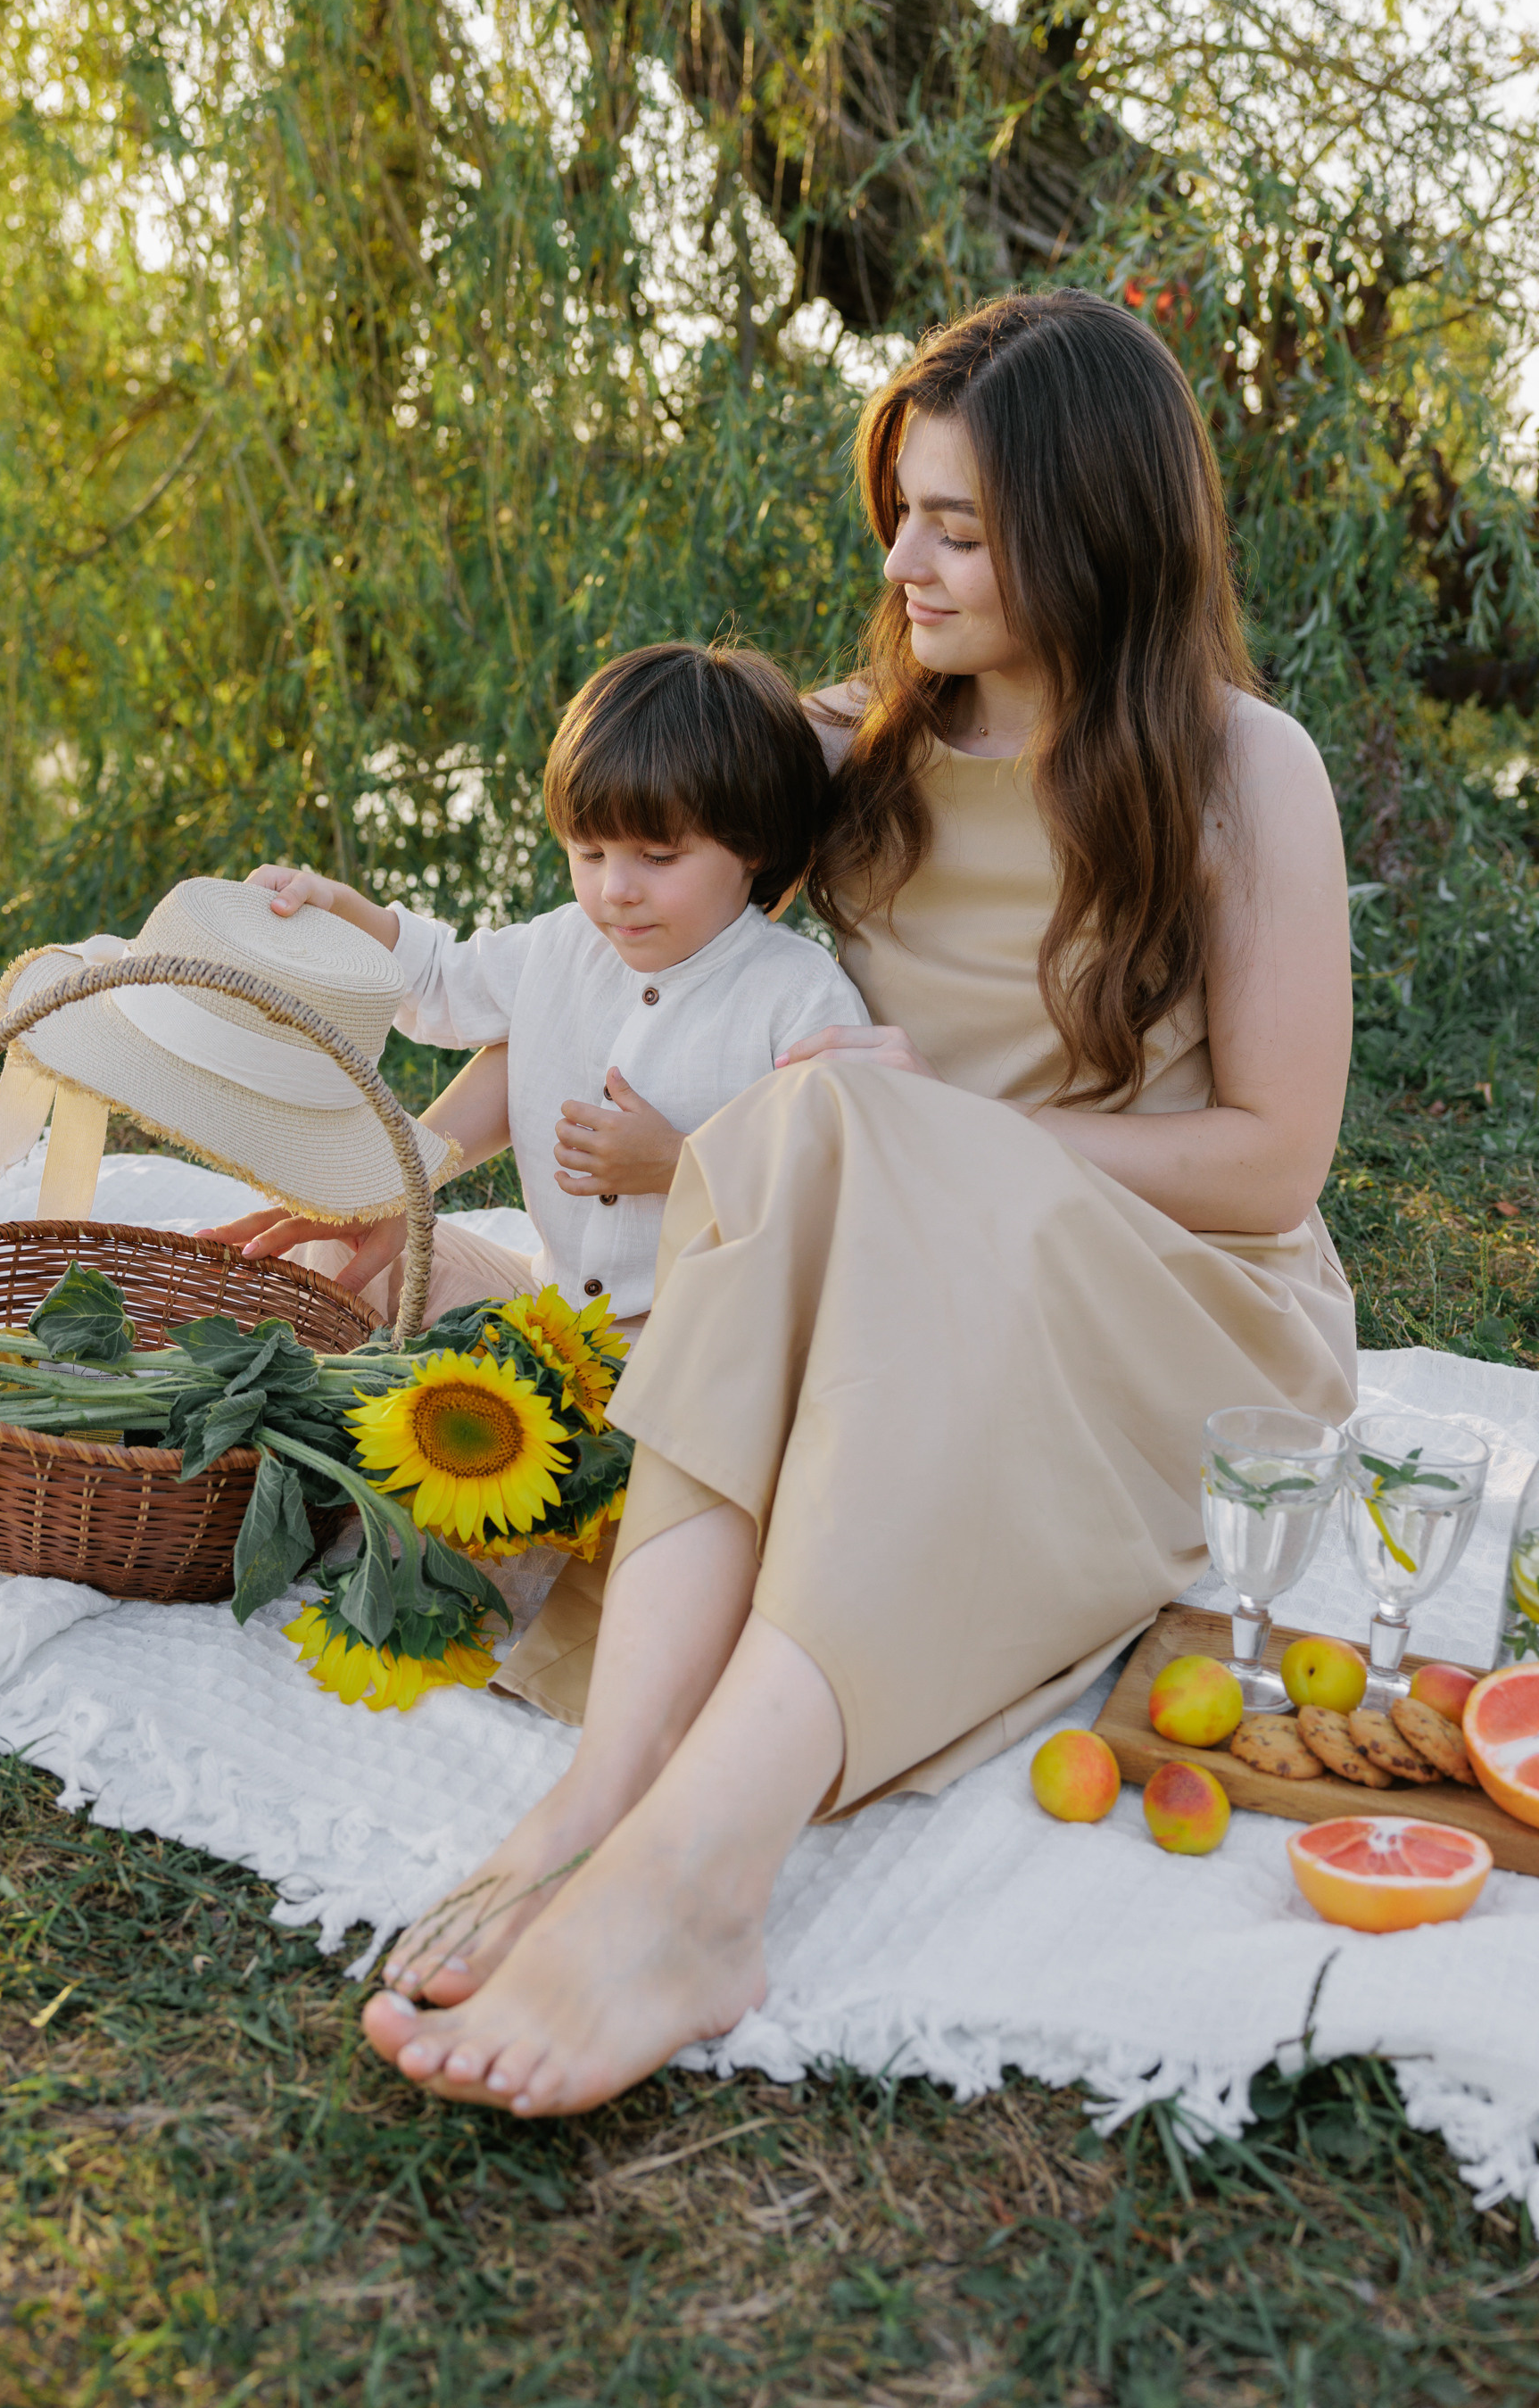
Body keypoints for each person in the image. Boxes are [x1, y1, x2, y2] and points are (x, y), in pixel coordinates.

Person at [354, 285, 1357, 2120]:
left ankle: (696, 1881)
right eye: (901, 513)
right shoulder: (844, 745)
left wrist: (937, 1134)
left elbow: (1269, 1163)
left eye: (958, 526)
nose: (902, 564)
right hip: (878, 1264)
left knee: (822, 1121)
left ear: (1091, 526)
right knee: (801, 1130)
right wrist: (405, 1170)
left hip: (1172, 1306)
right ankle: (602, 1796)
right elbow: (607, 961)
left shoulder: (1239, 769)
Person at [200, 641, 870, 1340]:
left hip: (690, 1344)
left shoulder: (797, 996)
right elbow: (437, 982)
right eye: (590, 853)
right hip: (549, 1308)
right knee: (342, 1238)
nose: (616, 889)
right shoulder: (564, 944)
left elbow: (835, 1192)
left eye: (658, 857)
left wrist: (679, 1162)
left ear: (754, 846)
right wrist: (339, 906)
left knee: (591, 1382)